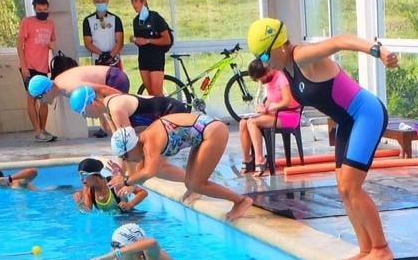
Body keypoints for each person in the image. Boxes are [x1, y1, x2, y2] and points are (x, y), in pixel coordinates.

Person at [246, 18, 397, 260]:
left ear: (280, 45)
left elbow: (340, 41)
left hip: (365, 114)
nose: (263, 62)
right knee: (343, 189)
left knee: (351, 186)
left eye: (264, 55)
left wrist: (378, 50)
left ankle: (381, 248)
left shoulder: (303, 56)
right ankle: (365, 249)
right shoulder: (285, 70)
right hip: (346, 122)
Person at [109, 117, 252, 221]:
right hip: (203, 135)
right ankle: (196, 189)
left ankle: (241, 201)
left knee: (197, 184)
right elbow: (141, 175)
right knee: (191, 184)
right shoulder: (144, 142)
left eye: (125, 155)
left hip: (213, 132)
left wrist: (126, 180)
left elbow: (148, 172)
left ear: (133, 146)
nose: (126, 160)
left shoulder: (150, 141)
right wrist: (124, 178)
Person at [33, 222, 203, 260]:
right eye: (112, 246)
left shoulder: (153, 257)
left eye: (117, 246)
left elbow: (152, 241)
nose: (113, 250)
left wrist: (114, 254)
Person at [239, 59, 302, 176]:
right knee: (243, 122)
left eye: (260, 78)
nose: (260, 82)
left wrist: (270, 108)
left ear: (267, 72)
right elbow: (271, 98)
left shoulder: (281, 78)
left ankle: (260, 160)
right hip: (274, 114)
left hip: (288, 115)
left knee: (252, 123)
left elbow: (287, 101)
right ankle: (247, 160)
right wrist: (264, 106)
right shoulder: (268, 80)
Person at [18, 0, 57, 143]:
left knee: (45, 100)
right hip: (29, 66)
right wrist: (23, 65)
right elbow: (20, 44)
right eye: (39, 10)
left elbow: (53, 41)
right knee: (32, 98)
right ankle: (37, 130)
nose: (42, 12)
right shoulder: (27, 22)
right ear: (34, 9)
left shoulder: (50, 24)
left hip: (42, 67)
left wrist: (53, 45)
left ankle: (43, 128)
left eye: (45, 10)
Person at [128, 0, 172, 97]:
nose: (133, 4)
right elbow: (140, 41)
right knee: (151, 94)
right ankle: (155, 113)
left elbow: (167, 40)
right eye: (132, 1)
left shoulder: (155, 17)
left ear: (143, 2)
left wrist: (147, 41)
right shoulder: (136, 21)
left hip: (156, 57)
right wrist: (135, 40)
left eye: (136, 1)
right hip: (143, 58)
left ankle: (165, 112)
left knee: (157, 93)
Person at [82, 0, 124, 66]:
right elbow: (88, 43)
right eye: (98, 2)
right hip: (97, 60)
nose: (100, 4)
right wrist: (102, 55)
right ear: (94, 2)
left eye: (103, 1)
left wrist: (110, 55)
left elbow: (120, 42)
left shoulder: (115, 19)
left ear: (107, 1)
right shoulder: (87, 20)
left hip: (114, 59)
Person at [74, 173, 147, 213]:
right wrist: (80, 203)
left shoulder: (114, 181)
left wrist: (130, 204)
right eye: (80, 176)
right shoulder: (88, 190)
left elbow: (143, 192)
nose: (81, 179)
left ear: (93, 175)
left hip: (128, 218)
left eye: (84, 175)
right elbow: (87, 213)